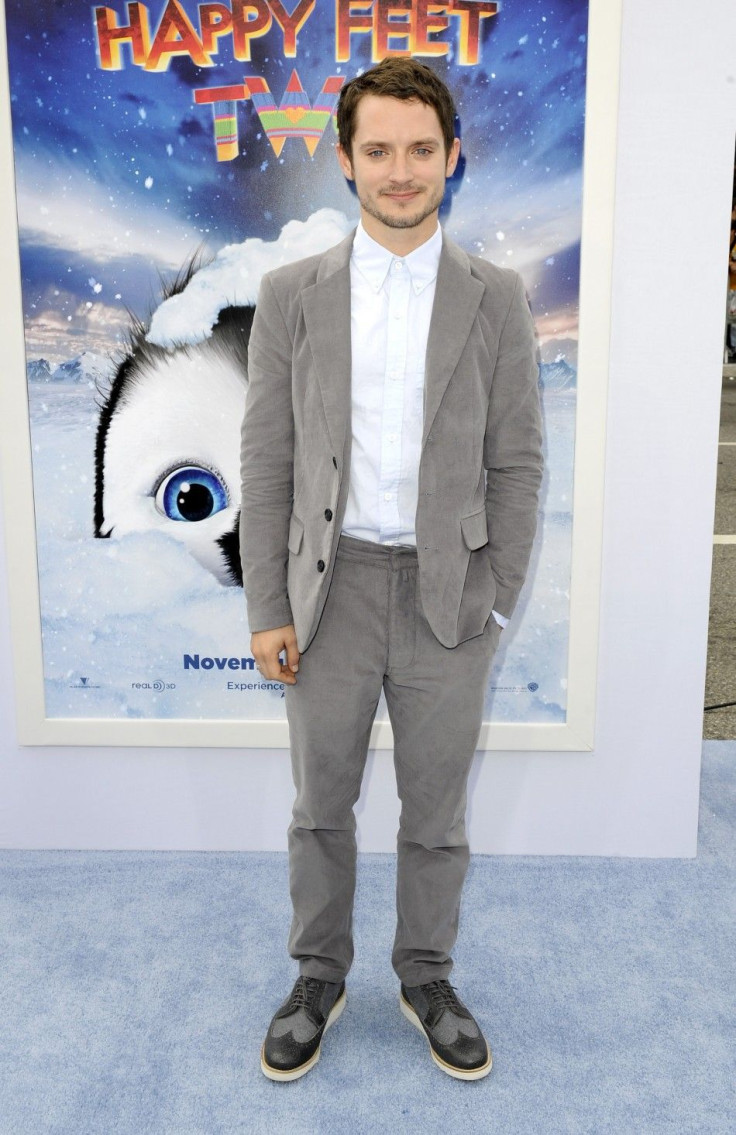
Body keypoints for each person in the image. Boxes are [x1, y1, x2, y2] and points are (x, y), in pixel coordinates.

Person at [240, 57, 543, 1082]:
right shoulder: (290, 294)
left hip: (447, 597)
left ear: (452, 159)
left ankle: (425, 974)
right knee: (320, 805)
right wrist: (267, 606)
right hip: (327, 593)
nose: (400, 171)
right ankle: (316, 975)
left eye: (421, 150)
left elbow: (518, 460)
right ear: (345, 161)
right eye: (379, 150)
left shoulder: (494, 297)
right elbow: (268, 457)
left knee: (435, 811)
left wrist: (494, 595)